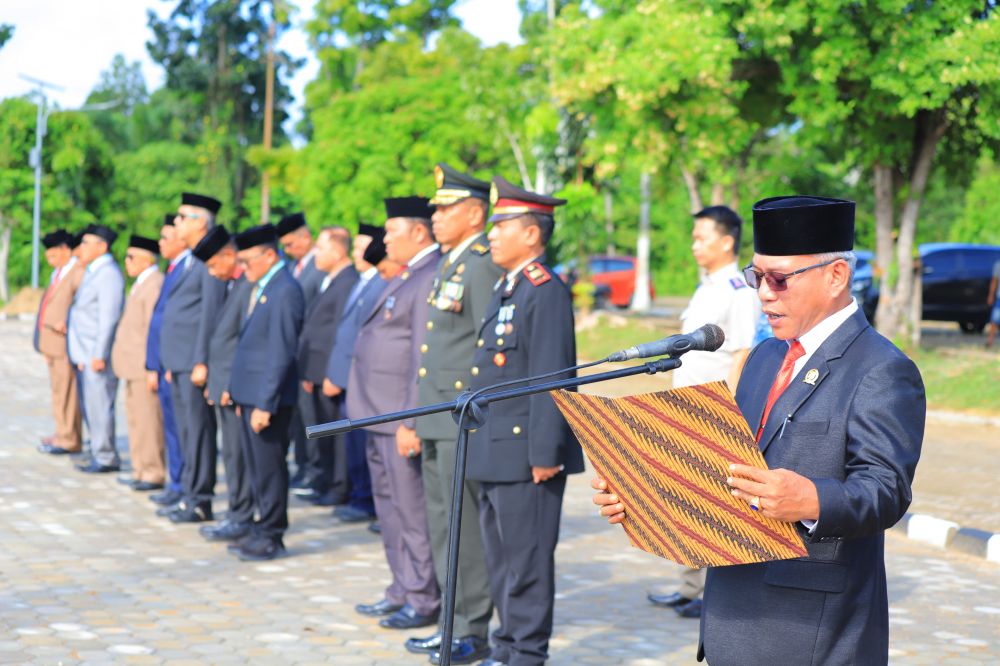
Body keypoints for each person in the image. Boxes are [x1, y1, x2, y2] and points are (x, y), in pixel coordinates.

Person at [594, 195, 925, 666]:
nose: (764, 293)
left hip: (811, 630)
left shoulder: (881, 369)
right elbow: (724, 468)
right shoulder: (766, 358)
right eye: (757, 277)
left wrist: (812, 499)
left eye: (779, 279)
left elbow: (886, 490)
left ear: (835, 276)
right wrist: (643, 493)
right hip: (731, 611)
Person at [461, 176, 584, 666]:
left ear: (531, 234)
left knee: (527, 563)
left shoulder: (544, 290)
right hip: (494, 449)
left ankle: (527, 654)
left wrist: (545, 454)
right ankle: (507, 646)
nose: (491, 234)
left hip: (525, 454)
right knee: (501, 560)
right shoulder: (507, 286)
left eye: (501, 224)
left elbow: (552, 377)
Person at [406, 164, 503, 665]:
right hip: (437, 413)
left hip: (460, 416)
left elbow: (488, 348)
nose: (435, 217)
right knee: (442, 524)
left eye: (444, 209)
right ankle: (451, 621)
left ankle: (472, 628)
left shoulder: (481, 264)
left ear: (473, 213)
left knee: (462, 528)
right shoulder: (451, 261)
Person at [647, 205, 760, 619]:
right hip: (685, 406)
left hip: (713, 410)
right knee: (686, 499)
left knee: (711, 503)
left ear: (727, 241)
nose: (695, 245)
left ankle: (710, 593)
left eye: (702, 238)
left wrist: (726, 412)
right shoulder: (707, 286)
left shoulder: (738, 289)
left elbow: (744, 350)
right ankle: (690, 587)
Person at [348, 196, 442, 631]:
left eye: (391, 231)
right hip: (377, 414)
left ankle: (424, 598)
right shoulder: (407, 274)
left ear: (417, 232)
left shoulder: (429, 275)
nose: (384, 240)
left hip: (398, 418)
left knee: (411, 510)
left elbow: (422, 357)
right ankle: (401, 587)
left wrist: (411, 420)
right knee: (388, 508)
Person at [228, 224, 305, 561]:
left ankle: (272, 533)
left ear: (270, 255)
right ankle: (261, 527)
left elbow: (281, 351)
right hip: (251, 396)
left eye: (248, 261)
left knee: (270, 468)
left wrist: (264, 403)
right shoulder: (266, 285)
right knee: (257, 468)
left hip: (267, 400)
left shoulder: (285, 289)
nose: (244, 268)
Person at [160, 193, 226, 523]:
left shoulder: (208, 257)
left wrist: (202, 360)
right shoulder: (189, 259)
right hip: (180, 360)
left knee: (198, 433)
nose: (176, 223)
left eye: (183, 217)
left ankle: (200, 499)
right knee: (186, 431)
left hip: (194, 362)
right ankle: (188, 492)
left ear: (201, 222)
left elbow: (210, 314)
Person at [322, 224, 395, 525]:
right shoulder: (365, 281)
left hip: (365, 378)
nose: (358, 253)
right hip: (350, 376)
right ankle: (362, 497)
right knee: (356, 445)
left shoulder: (378, 281)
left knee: (368, 447)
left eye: (363, 247)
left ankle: (367, 501)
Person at [192, 226, 256, 544]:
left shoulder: (247, 285)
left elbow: (242, 342)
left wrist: (230, 382)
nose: (214, 274)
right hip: (223, 384)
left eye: (215, 265)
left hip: (236, 386)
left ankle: (242, 514)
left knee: (238, 455)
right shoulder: (231, 283)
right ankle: (235, 512)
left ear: (229, 256)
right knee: (230, 454)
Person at [295, 226, 358, 506]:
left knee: (336, 433)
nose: (316, 254)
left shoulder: (347, 281)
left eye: (320, 248)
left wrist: (333, 374)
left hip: (330, 374)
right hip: (318, 371)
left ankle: (339, 486)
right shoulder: (330, 279)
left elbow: (339, 333)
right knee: (323, 431)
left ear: (337, 250)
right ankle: (326, 481)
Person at [110, 235, 166, 490]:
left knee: (148, 422)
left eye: (131, 257)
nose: (127, 262)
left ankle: (152, 471)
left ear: (146, 259)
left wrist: (152, 366)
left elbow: (153, 331)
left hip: (144, 367)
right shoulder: (141, 283)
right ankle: (140, 468)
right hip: (132, 367)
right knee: (135, 420)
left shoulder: (154, 284)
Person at [68, 224, 125, 473]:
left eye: (86, 243)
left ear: (102, 247)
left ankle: (106, 456)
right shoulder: (93, 271)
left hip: (96, 354)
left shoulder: (108, 274)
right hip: (85, 352)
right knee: (91, 405)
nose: (81, 248)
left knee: (100, 405)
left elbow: (108, 317)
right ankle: (98, 450)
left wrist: (99, 354)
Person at [276, 212, 325, 491]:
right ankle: (304, 466)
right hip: (295, 355)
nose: (287, 251)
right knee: (299, 418)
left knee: (312, 418)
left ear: (306, 238)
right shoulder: (296, 266)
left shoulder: (317, 268)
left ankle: (315, 471)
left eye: (291, 244)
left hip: (310, 355)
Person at [145, 215, 191, 507]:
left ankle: (187, 486)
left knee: (185, 431)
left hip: (179, 365)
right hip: (165, 363)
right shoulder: (172, 268)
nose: (160, 243)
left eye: (165, 237)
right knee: (172, 429)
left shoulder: (190, 266)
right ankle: (177, 483)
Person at [34, 229, 85, 455]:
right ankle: (61, 432)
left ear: (65, 249)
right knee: (58, 391)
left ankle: (70, 438)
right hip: (51, 343)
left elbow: (82, 304)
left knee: (68, 392)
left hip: (65, 343)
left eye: (53, 255)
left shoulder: (77, 271)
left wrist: (68, 321)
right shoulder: (59, 272)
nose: (50, 260)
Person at [987, 258, 1000, 348]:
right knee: (994, 320)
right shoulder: (998, 265)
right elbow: (994, 281)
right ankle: (990, 342)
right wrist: (991, 295)